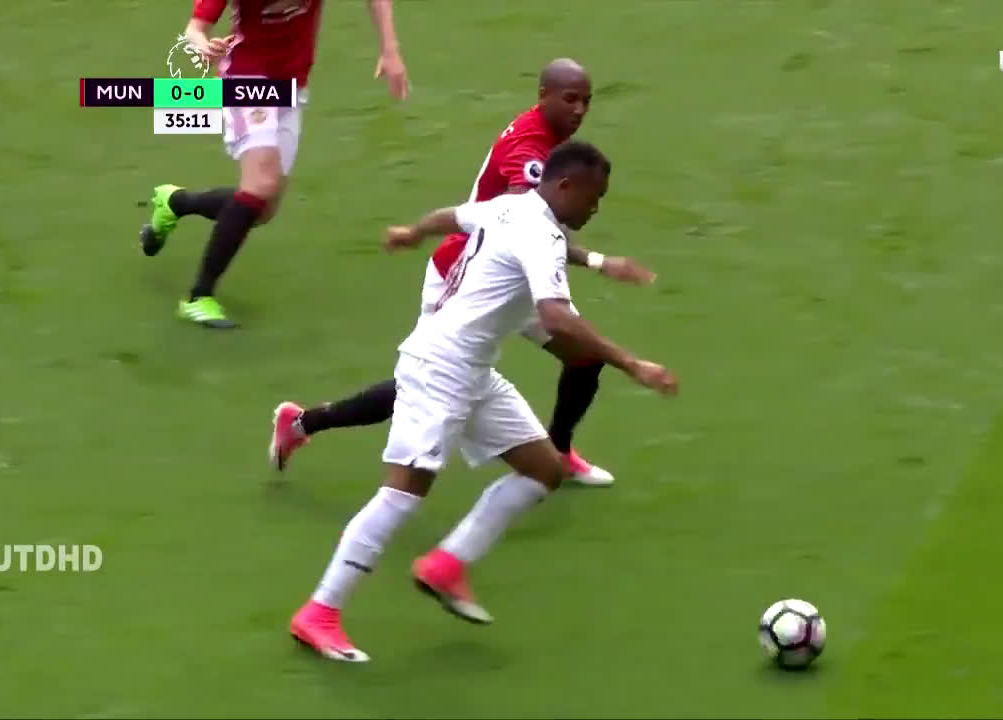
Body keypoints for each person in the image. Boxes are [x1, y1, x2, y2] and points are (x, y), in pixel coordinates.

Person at [288, 141, 678, 662]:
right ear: (566, 186)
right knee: (402, 494)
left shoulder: (511, 206)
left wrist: (412, 231)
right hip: (439, 369)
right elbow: (557, 317)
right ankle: (319, 612)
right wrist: (633, 364)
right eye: (594, 197)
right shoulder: (540, 232)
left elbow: (451, 216)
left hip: (471, 371)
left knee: (544, 469)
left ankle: (447, 565)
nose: (596, 208)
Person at [269, 59, 654, 486]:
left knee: (585, 356)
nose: (579, 110)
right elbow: (525, 231)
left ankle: (558, 453)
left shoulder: (551, 141)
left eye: (586, 101)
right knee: (422, 384)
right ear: (543, 96)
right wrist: (599, 262)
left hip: (518, 277)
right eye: (570, 99)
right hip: (468, 274)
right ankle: (302, 423)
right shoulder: (527, 150)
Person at [138, 0, 410, 329]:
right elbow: (195, 28)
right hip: (246, 78)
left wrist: (390, 50)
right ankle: (198, 297)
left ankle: (175, 203)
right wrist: (204, 46)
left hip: (292, 86)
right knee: (261, 185)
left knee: (262, 208)